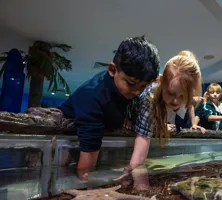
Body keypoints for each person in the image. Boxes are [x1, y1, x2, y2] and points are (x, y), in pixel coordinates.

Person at [58, 36, 160, 180]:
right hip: (68, 147)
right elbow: (87, 163)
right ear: (112, 70)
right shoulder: (92, 95)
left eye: (143, 86)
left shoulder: (136, 94)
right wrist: (87, 185)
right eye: (131, 84)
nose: (137, 92)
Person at [118, 50, 203, 178]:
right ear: (161, 81)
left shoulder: (185, 102)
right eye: (171, 93)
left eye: (183, 96)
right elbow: (138, 157)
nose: (175, 101)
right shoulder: (149, 101)